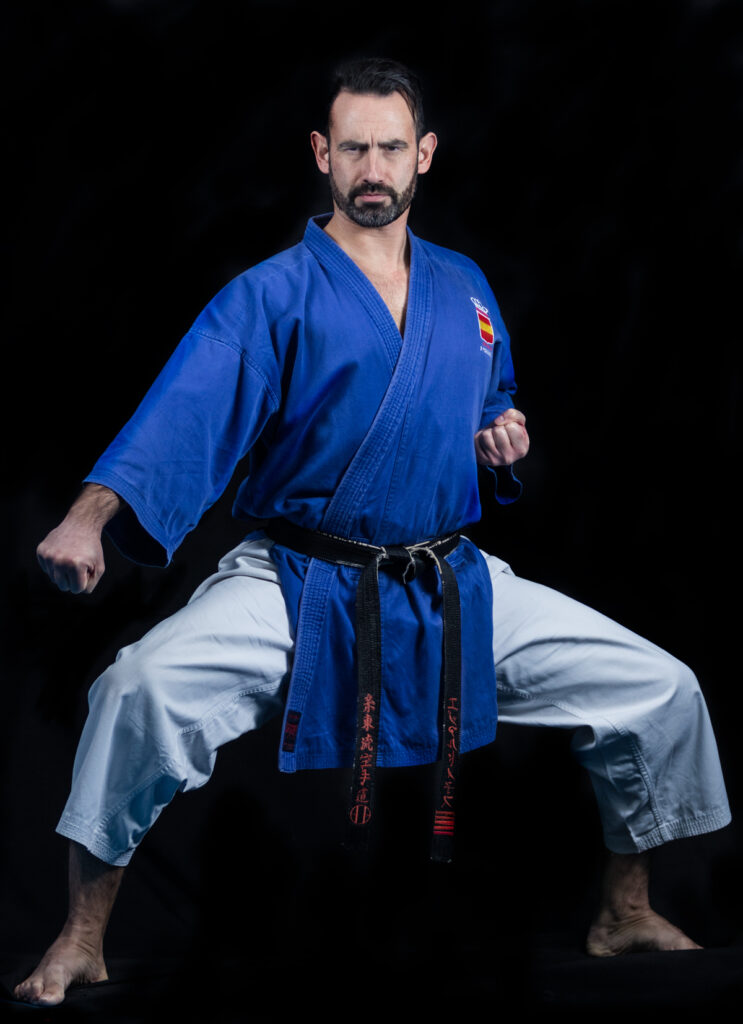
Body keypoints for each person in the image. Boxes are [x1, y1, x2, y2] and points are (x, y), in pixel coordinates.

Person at [15, 58, 730, 1007]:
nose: (372, 168)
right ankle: (82, 937)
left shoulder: (464, 287)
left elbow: (492, 403)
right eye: (353, 147)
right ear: (323, 153)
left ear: (423, 154)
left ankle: (624, 910)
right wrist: (86, 518)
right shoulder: (269, 295)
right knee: (137, 688)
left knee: (659, 688)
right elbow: (181, 416)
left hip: (446, 579)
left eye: (391, 147)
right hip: (299, 579)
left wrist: (500, 436)